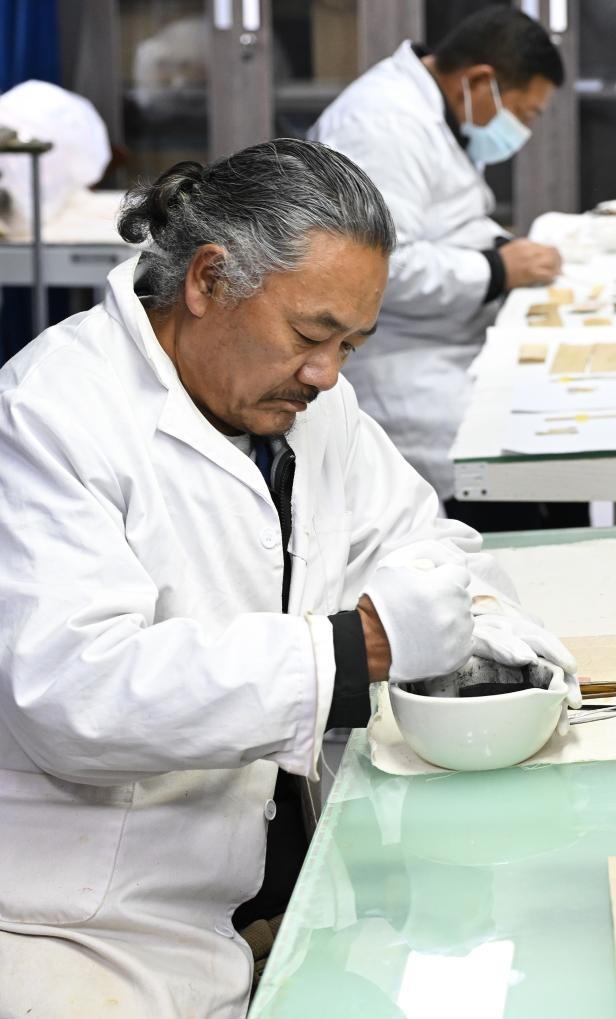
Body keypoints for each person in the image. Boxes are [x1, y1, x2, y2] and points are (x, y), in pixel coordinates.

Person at [0, 139, 579, 1018]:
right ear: (208, 279)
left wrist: (485, 637)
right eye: (311, 336)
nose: (327, 373)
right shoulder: (50, 415)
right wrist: (350, 650)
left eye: (351, 344)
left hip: (280, 893)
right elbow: (73, 693)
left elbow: (428, 543)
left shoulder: (313, 407)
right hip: (87, 927)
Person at [309, 6, 582, 530]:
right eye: (523, 114)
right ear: (479, 82)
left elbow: (449, 217)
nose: (523, 130)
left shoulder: (435, 110)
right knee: (505, 474)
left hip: (447, 338)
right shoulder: (382, 125)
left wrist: (504, 247)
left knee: (553, 442)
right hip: (402, 362)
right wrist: (497, 269)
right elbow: (382, 267)